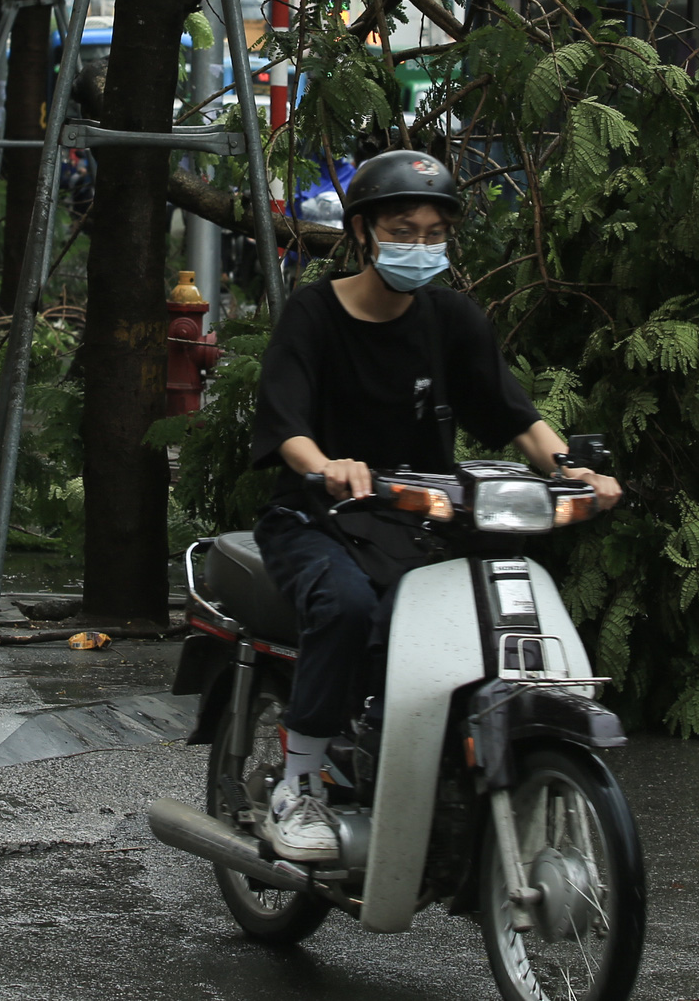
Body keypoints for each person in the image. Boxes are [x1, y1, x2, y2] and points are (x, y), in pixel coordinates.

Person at [246, 149, 623, 864]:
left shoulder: (450, 318)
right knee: (350, 607)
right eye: (402, 228)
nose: (419, 246)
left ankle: (421, 746)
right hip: (316, 517)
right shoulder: (314, 315)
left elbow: (515, 414)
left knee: (478, 608)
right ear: (362, 231)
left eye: (433, 233)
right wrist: (326, 465)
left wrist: (574, 470)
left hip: (419, 517)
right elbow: (286, 423)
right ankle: (298, 785)